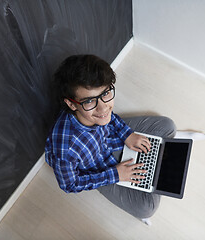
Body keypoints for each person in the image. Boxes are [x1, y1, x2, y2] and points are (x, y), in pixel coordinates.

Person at [45, 54, 177, 224]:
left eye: (105, 93)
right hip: (99, 169)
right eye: (89, 101)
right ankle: (154, 170)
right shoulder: (65, 149)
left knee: (168, 126)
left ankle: (154, 165)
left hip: (109, 139)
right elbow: (70, 185)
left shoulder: (99, 111)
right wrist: (115, 174)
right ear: (72, 104)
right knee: (146, 208)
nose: (103, 107)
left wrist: (127, 134)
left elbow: (108, 115)